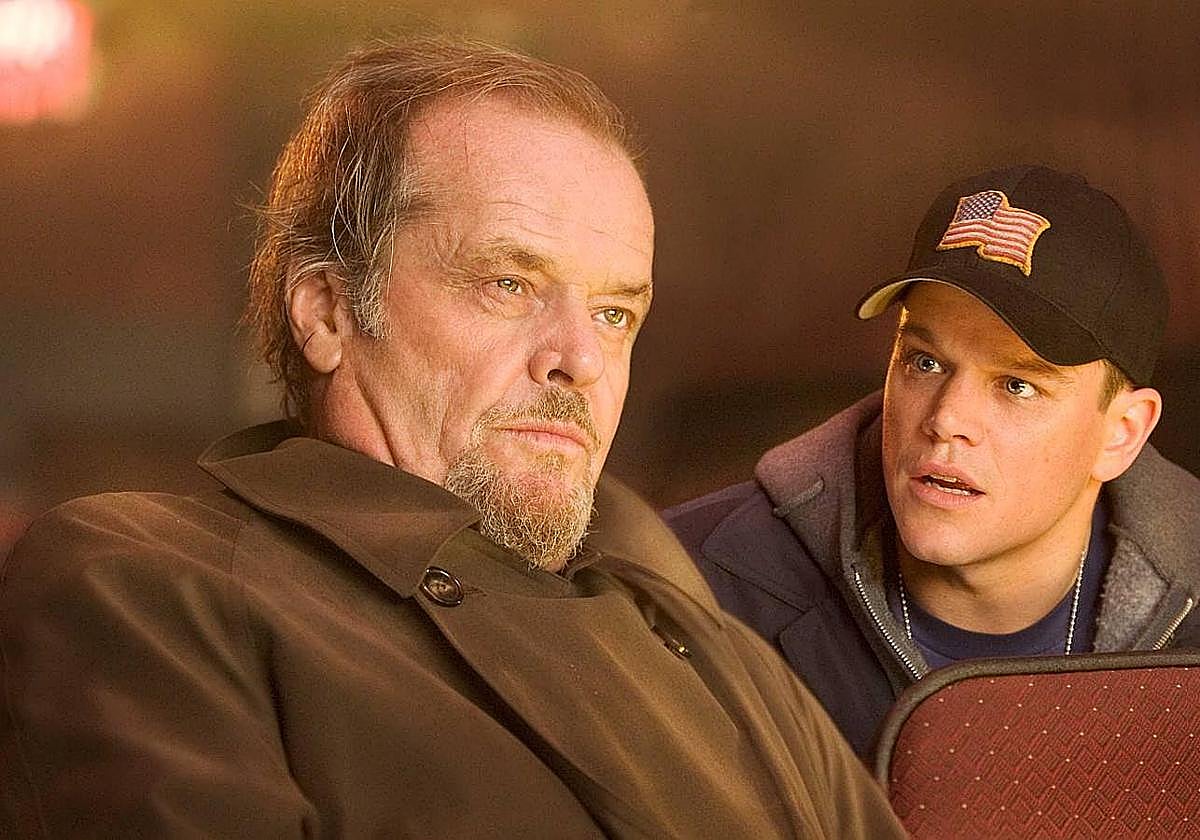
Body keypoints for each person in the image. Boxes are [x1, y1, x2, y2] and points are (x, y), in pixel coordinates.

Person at [0, 37, 905, 838]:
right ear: (327, 312)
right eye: (510, 284)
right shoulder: (145, 584)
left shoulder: (719, 653)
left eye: (615, 312)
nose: (580, 360)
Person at [666, 164, 1200, 760]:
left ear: (1121, 434)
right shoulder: (685, 587)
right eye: (924, 362)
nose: (946, 419)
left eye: (1017, 385)